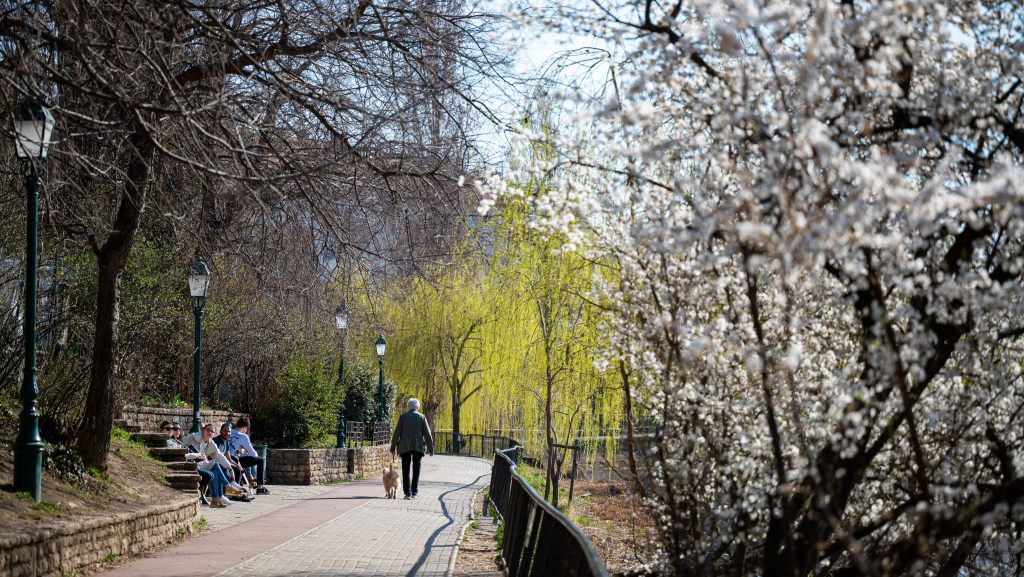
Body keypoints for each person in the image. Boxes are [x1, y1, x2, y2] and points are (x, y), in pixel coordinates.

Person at [180, 422, 244, 508]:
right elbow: (179, 446)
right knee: (215, 464)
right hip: (189, 465)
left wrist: (230, 468)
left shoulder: (210, 442)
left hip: (199, 465)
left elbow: (219, 455)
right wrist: (198, 455)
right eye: (208, 430)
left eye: (212, 431)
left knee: (215, 470)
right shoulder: (193, 437)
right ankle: (228, 486)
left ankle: (215, 500)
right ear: (203, 430)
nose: (210, 432)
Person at [390, 398, 434, 500]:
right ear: (417, 407)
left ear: (409, 406)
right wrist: (431, 448)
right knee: (416, 468)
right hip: (418, 446)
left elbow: (396, 433)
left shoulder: (403, 417)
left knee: (405, 469)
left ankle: (407, 493)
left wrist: (393, 447)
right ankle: (414, 492)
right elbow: (427, 434)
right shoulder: (422, 417)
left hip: (404, 446)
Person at [230, 418, 270, 494]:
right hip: (234, 460)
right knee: (260, 460)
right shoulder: (243, 436)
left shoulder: (229, 431)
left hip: (227, 458)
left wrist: (243, 451)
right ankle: (259, 487)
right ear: (245, 427)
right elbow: (254, 454)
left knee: (246, 456)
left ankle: (251, 478)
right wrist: (245, 451)